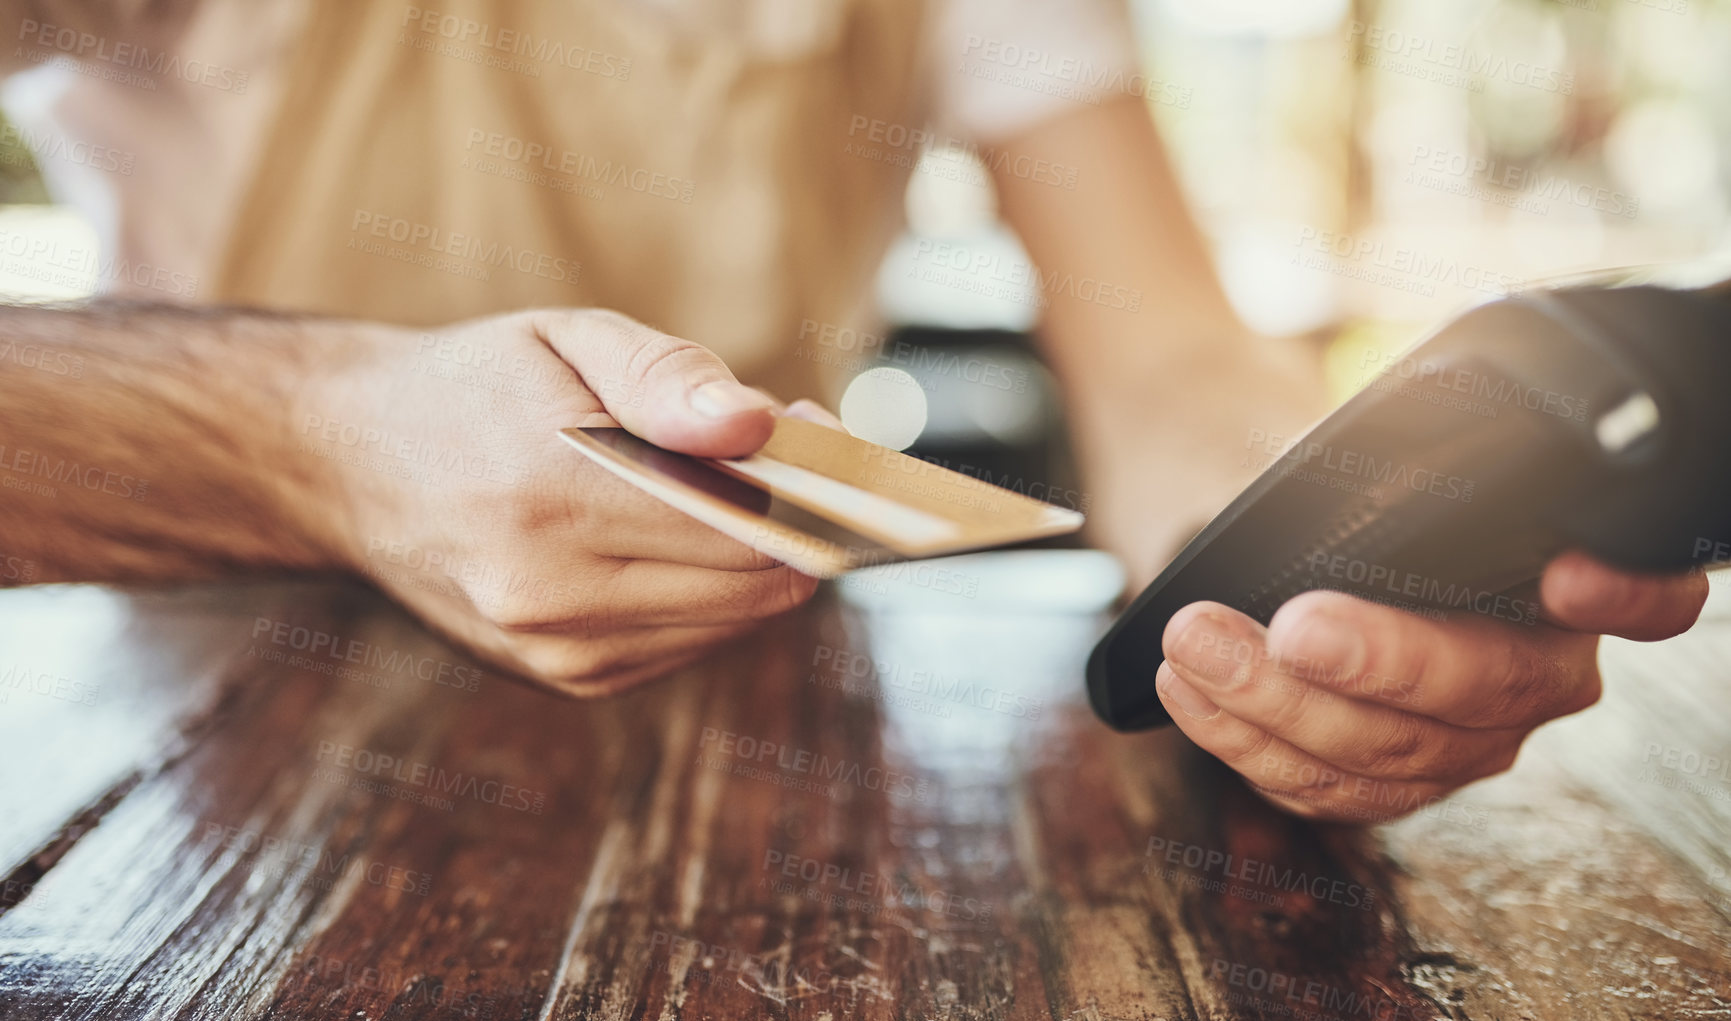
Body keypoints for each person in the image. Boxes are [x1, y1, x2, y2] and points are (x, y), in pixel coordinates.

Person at [0, 0, 1706, 822]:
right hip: (213, 756)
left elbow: (1170, 361)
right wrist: (309, 433)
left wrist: (1306, 566)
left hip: (752, 745)